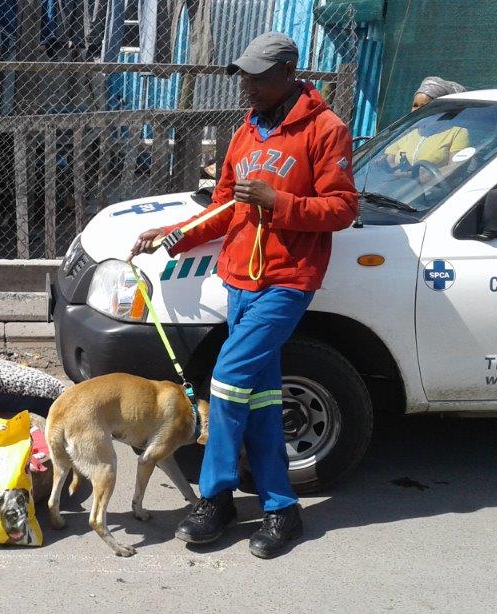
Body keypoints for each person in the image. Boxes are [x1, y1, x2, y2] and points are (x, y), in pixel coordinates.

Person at [131, 32, 357, 559]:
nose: (246, 87)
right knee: (259, 395)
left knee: (228, 382)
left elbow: (343, 208)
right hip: (238, 276)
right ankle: (281, 507)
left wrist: (280, 201)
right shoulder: (244, 133)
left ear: (288, 71)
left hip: (287, 279)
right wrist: (174, 235)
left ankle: (215, 496)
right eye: (243, 77)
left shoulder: (326, 129)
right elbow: (225, 208)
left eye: (257, 77)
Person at [384, 76, 470, 178]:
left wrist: (425, 176)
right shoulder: (406, 132)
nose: (417, 110)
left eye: (424, 106)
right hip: (395, 190)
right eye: (415, 105)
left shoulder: (456, 133)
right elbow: (388, 161)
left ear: (441, 109)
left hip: (432, 191)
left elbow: (455, 168)